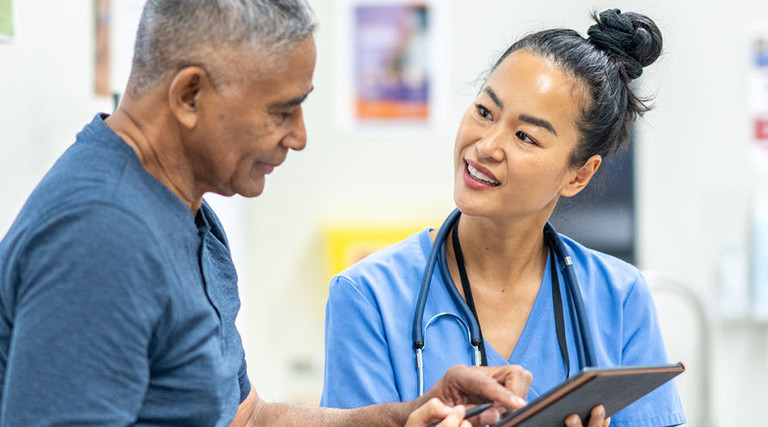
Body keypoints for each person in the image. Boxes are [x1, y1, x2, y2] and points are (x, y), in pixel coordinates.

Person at [0, 1, 535, 426]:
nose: (299, 137)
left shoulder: (184, 212)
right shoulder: (103, 235)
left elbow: (247, 418)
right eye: (282, 110)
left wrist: (408, 415)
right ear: (189, 94)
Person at [321, 8, 686, 427]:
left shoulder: (619, 298)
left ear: (579, 174)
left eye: (525, 136)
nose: (487, 145)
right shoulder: (369, 297)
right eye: (484, 112)